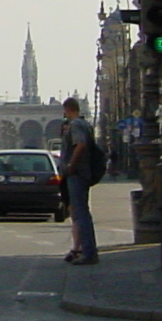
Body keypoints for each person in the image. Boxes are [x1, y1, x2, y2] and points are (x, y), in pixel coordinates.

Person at [59, 96, 98, 266]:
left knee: (80, 213)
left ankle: (88, 252)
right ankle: (84, 249)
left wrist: (70, 165)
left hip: (77, 174)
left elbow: (80, 144)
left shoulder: (75, 125)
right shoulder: (86, 124)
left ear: (67, 109)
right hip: (84, 172)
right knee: (80, 212)